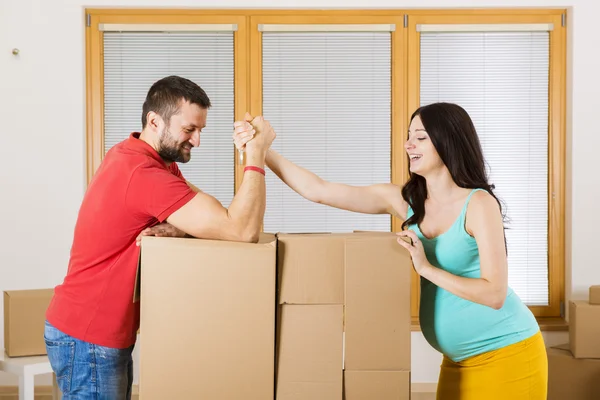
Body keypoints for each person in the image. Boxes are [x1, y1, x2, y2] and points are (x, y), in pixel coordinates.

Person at [233, 102, 547, 400]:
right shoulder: (406, 200)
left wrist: (426, 269)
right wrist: (259, 151)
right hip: (457, 358)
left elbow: (494, 294)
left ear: (448, 143)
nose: (409, 144)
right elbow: (319, 190)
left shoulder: (478, 204)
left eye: (421, 137)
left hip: (507, 351)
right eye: (409, 137)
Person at [45, 75, 275, 399]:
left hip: (94, 331)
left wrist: (180, 226)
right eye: (189, 130)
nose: (197, 141)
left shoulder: (142, 158)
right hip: (89, 336)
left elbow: (214, 217)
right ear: (155, 121)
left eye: (200, 131)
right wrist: (257, 154)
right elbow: (241, 229)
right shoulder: (144, 174)